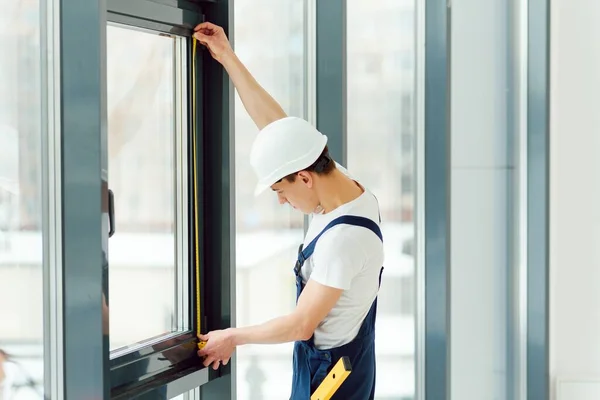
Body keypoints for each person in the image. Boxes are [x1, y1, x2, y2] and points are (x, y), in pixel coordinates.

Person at [193, 22, 385, 399]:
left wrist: (233, 337)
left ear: (304, 177)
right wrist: (227, 57)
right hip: (342, 360)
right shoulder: (338, 181)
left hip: (332, 377)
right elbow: (277, 127)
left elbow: (300, 325)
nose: (282, 201)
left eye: (281, 190)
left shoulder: (344, 241)